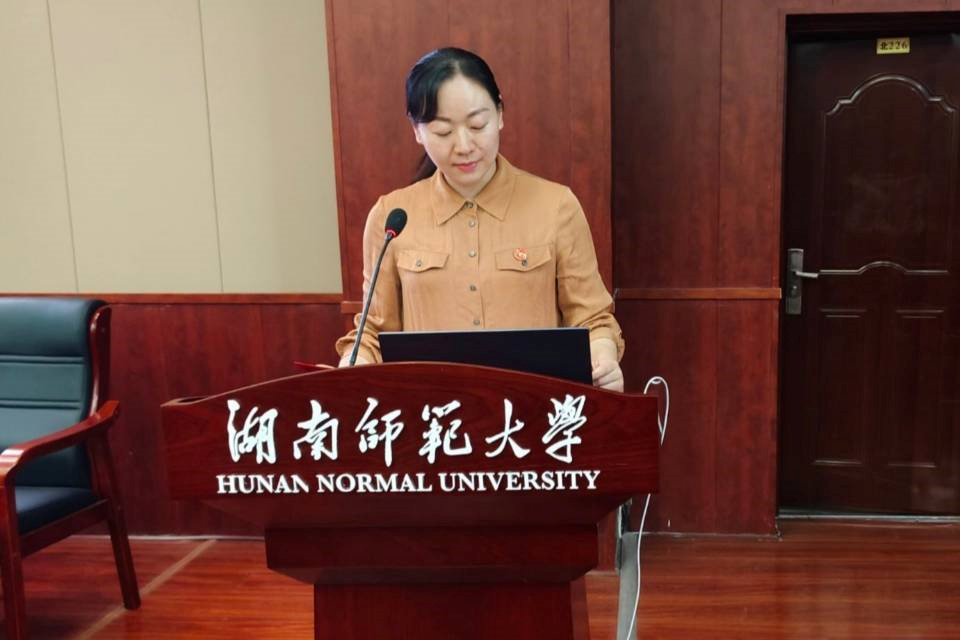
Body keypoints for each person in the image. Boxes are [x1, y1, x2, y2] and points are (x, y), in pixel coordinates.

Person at [335, 47, 624, 391]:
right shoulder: (393, 217)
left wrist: (603, 359)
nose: (463, 146)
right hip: (434, 413)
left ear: (500, 113)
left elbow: (592, 318)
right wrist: (353, 367)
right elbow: (373, 332)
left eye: (477, 125)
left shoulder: (556, 206)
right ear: (417, 130)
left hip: (533, 408)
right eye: (443, 132)